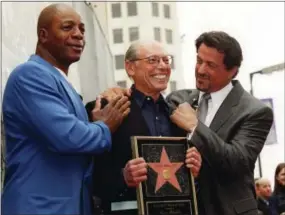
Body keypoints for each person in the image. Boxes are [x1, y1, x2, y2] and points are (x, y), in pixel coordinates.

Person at [1, 3, 130, 215]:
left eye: (82, 29)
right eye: (67, 27)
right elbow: (68, 137)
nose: (78, 35)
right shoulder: (30, 75)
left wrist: (92, 121)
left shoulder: (58, 80)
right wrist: (105, 126)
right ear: (43, 35)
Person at [85, 40, 202, 215]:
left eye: (166, 60)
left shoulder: (181, 115)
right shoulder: (107, 109)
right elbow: (89, 172)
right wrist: (123, 177)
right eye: (153, 60)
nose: (162, 66)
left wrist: (195, 169)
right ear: (130, 67)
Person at [167, 31, 274, 215]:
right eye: (199, 61)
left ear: (232, 71)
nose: (200, 70)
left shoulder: (255, 111)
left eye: (210, 65)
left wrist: (195, 127)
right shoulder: (178, 101)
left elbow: (235, 162)